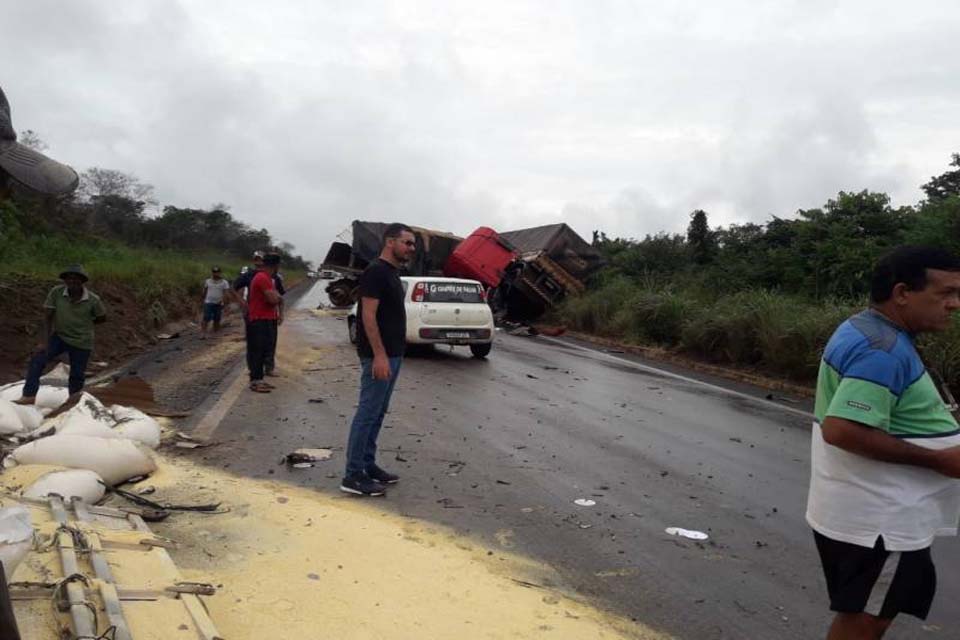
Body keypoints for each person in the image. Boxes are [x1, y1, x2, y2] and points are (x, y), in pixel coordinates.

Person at [806, 246, 960, 640]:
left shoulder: (867, 328)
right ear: (902, 293)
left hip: (868, 514)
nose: (955, 305)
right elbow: (842, 428)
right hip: (880, 521)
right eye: (946, 293)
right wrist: (940, 460)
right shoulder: (882, 350)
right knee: (865, 622)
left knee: (871, 613)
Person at [341, 223, 416, 496]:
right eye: (407, 242)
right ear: (390, 242)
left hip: (394, 353)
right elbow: (368, 316)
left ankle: (367, 464)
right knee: (367, 413)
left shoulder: (392, 273)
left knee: (377, 413)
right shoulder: (375, 272)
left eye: (413, 244)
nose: (411, 248)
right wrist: (379, 356)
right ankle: (352, 475)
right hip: (380, 356)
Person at [15, 266, 106, 405]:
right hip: (60, 336)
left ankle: (73, 402)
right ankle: (29, 395)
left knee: (77, 374)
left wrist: (84, 324)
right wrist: (44, 342)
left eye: (76, 278)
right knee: (37, 360)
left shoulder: (93, 300)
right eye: (69, 278)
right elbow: (48, 317)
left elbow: (101, 318)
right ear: (65, 280)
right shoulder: (56, 293)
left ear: (82, 281)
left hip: (82, 341)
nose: (72, 281)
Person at [234, 250, 285, 375]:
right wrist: (241, 302)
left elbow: (280, 296)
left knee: (270, 342)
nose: (258, 262)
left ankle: (268, 367)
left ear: (264, 262)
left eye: (260, 259)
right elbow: (234, 287)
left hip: (269, 314)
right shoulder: (250, 275)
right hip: (254, 312)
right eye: (256, 259)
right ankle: (254, 371)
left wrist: (280, 313)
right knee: (255, 344)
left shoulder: (274, 277)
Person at [246, 253, 282, 393]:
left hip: (264, 318)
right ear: (276, 266)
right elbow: (273, 299)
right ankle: (255, 381)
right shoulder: (263, 278)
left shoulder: (266, 278)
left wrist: (275, 296)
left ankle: (259, 379)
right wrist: (276, 297)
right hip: (259, 319)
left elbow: (275, 297)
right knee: (257, 351)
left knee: (263, 351)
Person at [200, 266, 231, 337]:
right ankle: (203, 332)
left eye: (217, 272)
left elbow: (226, 293)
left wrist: (225, 303)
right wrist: (202, 300)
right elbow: (204, 291)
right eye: (214, 272)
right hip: (208, 302)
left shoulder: (224, 282)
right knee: (206, 317)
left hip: (219, 302)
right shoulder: (207, 281)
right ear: (212, 273)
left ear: (220, 273)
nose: (216, 274)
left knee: (217, 318)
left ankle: (216, 332)